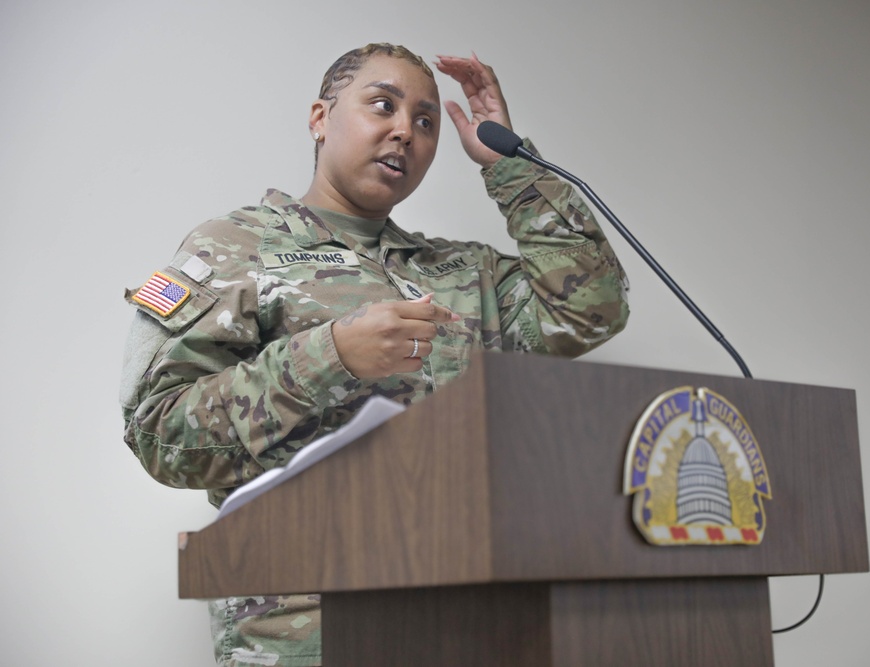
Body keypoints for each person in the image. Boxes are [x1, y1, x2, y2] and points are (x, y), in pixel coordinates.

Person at [120, 43, 629, 667]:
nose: (403, 132)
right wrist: (330, 355)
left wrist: (512, 168)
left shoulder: (462, 272)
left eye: (425, 121)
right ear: (320, 118)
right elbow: (160, 434)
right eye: (382, 105)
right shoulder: (230, 249)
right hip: (308, 632)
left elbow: (591, 308)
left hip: (467, 616)